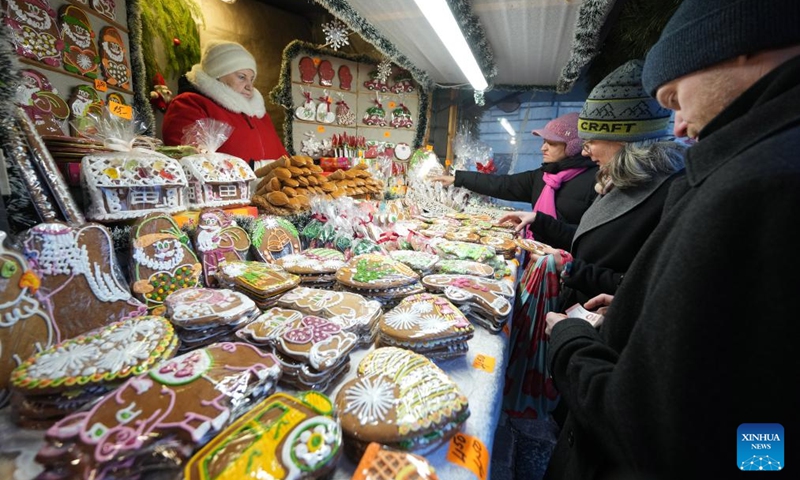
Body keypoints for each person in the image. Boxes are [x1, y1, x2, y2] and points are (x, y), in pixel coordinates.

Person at [542, 0, 800, 478]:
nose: (678, 126)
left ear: (738, 43)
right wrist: (633, 310)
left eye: (676, 99)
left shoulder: (762, 183)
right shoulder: (752, 168)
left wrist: (569, 340)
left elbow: (661, 432)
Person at [498, 59, 685, 424]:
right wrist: (542, 221)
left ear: (624, 138)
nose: (584, 150)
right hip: (579, 321)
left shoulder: (666, 194)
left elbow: (640, 282)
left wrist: (573, 268)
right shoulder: (620, 181)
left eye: (593, 139)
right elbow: (588, 237)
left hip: (605, 337)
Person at [431, 112, 597, 226]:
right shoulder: (543, 176)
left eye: (551, 143)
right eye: (543, 142)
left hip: (567, 266)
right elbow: (502, 184)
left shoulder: (594, 182)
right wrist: (458, 178)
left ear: (572, 147)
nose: (543, 148)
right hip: (537, 256)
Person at [162, 40, 288, 163]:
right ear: (218, 74)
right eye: (241, 77)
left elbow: (284, 158)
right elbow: (191, 161)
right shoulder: (190, 104)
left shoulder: (259, 115)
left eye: (252, 79)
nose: (250, 86)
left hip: (270, 184)